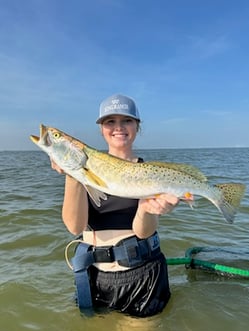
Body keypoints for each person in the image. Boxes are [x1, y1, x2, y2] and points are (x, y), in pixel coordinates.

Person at [51, 94, 179, 317]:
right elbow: (74, 227)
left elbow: (144, 231)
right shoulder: (86, 167)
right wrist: (73, 174)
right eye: (110, 121)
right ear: (101, 128)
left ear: (137, 126)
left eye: (126, 121)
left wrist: (146, 208)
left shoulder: (151, 174)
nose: (118, 127)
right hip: (92, 277)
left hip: (142, 276)